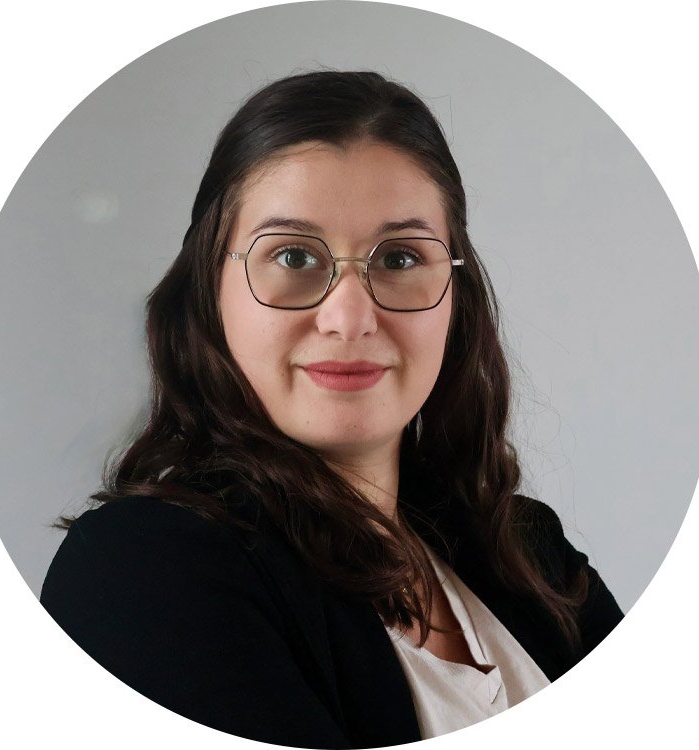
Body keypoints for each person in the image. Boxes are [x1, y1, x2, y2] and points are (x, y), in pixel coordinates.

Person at [40, 70, 623, 748]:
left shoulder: (531, 552)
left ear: (455, 300)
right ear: (209, 293)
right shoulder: (140, 570)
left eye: (400, 258)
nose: (350, 318)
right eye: (293, 255)